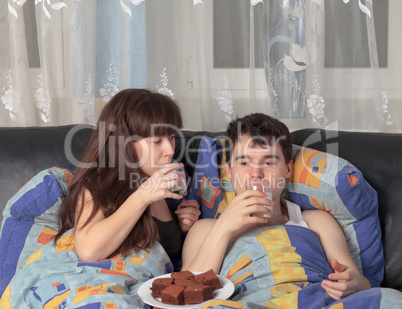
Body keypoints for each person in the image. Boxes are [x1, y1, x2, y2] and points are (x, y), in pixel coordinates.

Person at [180, 113, 371, 301]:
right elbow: (186, 295)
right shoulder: (204, 230)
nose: (256, 173)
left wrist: (353, 282)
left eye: (269, 162)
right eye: (244, 162)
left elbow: (360, 283)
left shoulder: (316, 221)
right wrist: (224, 227)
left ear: (288, 169)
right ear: (229, 171)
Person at [55, 88, 200, 262]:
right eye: (157, 141)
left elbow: (160, 248)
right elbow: (89, 252)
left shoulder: (158, 181)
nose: (170, 150)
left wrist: (181, 228)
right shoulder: (97, 183)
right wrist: (143, 196)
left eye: (172, 137)